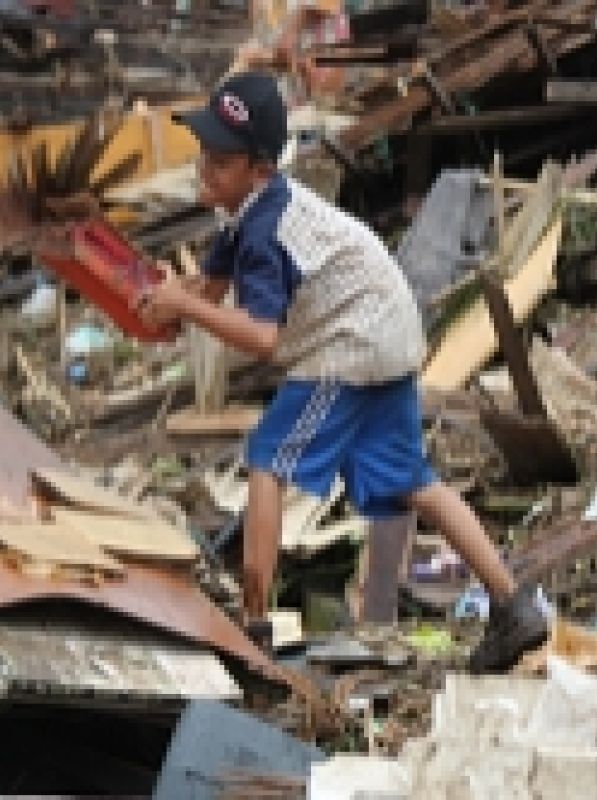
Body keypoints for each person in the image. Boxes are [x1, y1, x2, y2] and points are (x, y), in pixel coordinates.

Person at [137, 72, 546, 673]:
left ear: (257, 169)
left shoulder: (264, 232)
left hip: (351, 345)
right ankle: (514, 604)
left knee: (267, 461)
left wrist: (185, 306)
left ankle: (253, 629)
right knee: (411, 479)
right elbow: (206, 290)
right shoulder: (246, 213)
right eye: (203, 155)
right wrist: (162, 306)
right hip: (387, 332)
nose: (205, 170)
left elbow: (264, 339)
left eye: (219, 162)